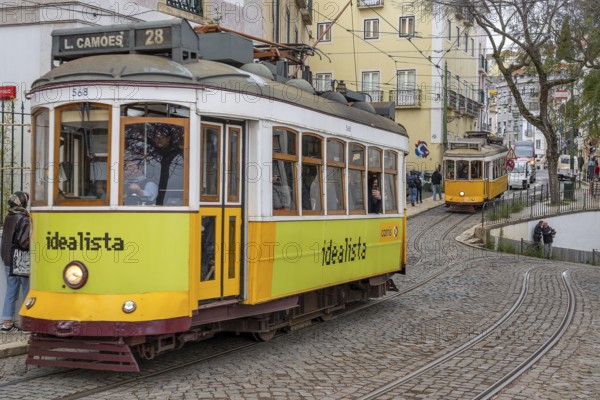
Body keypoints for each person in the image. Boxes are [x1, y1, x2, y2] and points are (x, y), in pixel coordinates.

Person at [0, 192, 31, 332]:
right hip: (20, 260)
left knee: (11, 291)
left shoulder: (9, 216)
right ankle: (27, 323)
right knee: (27, 290)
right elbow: (24, 242)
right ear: (23, 202)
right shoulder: (23, 219)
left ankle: (6, 323)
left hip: (7, 259)